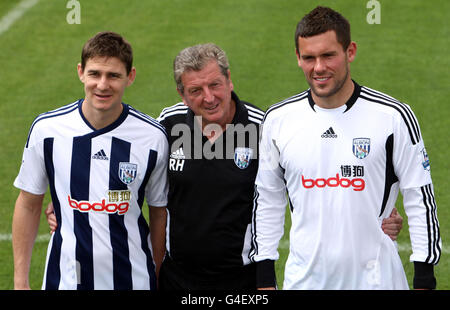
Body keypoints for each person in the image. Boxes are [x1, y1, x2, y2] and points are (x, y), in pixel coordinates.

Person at [45, 42, 404, 290]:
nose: (209, 97)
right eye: (195, 90)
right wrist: (69, 208)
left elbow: (310, 183)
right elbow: (130, 178)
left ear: (230, 81)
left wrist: (377, 214)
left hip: (242, 278)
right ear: (181, 95)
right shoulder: (166, 127)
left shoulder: (264, 129)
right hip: (177, 277)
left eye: (215, 84)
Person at [250, 6, 441, 290]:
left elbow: (419, 195)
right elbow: (267, 200)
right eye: (309, 58)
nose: (319, 67)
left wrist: (425, 278)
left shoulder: (392, 116)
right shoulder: (278, 120)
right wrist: (264, 279)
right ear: (298, 58)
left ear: (350, 51)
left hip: (377, 282)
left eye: (328, 55)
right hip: (304, 283)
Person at [12, 31, 168, 290]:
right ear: (81, 72)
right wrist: (20, 283)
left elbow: (159, 213)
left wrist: (158, 274)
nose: (103, 85)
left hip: (133, 281)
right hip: (65, 281)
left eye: (113, 75)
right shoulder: (47, 131)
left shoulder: (152, 138)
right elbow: (28, 204)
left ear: (130, 77)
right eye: (95, 73)